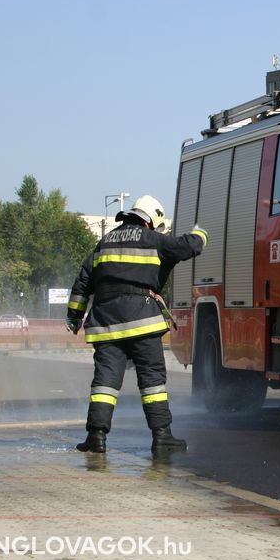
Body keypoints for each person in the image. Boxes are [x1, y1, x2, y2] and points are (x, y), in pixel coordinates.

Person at [66, 195, 207, 454]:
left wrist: (74, 317)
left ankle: (96, 437)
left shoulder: (103, 243)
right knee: (152, 380)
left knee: (105, 382)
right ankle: (162, 436)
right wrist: (201, 234)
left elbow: (82, 282)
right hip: (142, 320)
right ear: (151, 220)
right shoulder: (152, 239)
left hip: (105, 324)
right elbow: (187, 246)